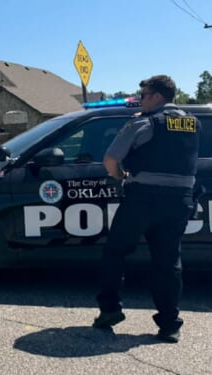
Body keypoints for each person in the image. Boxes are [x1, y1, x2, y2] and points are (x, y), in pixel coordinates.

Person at [93, 75, 200, 343]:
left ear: (157, 97)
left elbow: (110, 159)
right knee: (168, 261)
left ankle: (109, 310)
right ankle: (169, 325)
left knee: (115, 251)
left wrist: (120, 176)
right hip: (179, 201)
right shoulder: (192, 123)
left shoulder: (144, 122)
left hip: (143, 199)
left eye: (143, 94)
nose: (140, 99)